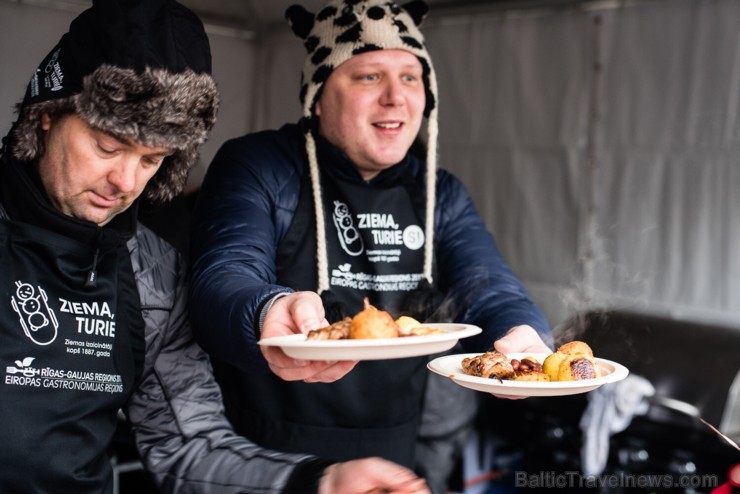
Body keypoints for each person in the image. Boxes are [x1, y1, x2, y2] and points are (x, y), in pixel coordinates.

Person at [0, 0, 431, 492]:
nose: (124, 181)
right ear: (49, 114)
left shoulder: (152, 273)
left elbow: (190, 444)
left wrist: (319, 482)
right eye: (108, 147)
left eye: (153, 159)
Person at [189, 0, 553, 488]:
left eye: (409, 77)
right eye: (368, 77)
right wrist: (265, 311)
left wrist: (522, 332)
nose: (395, 98)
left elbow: (486, 285)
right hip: (268, 463)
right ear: (318, 96)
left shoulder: (438, 192)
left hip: (394, 458)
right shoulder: (261, 165)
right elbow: (222, 276)